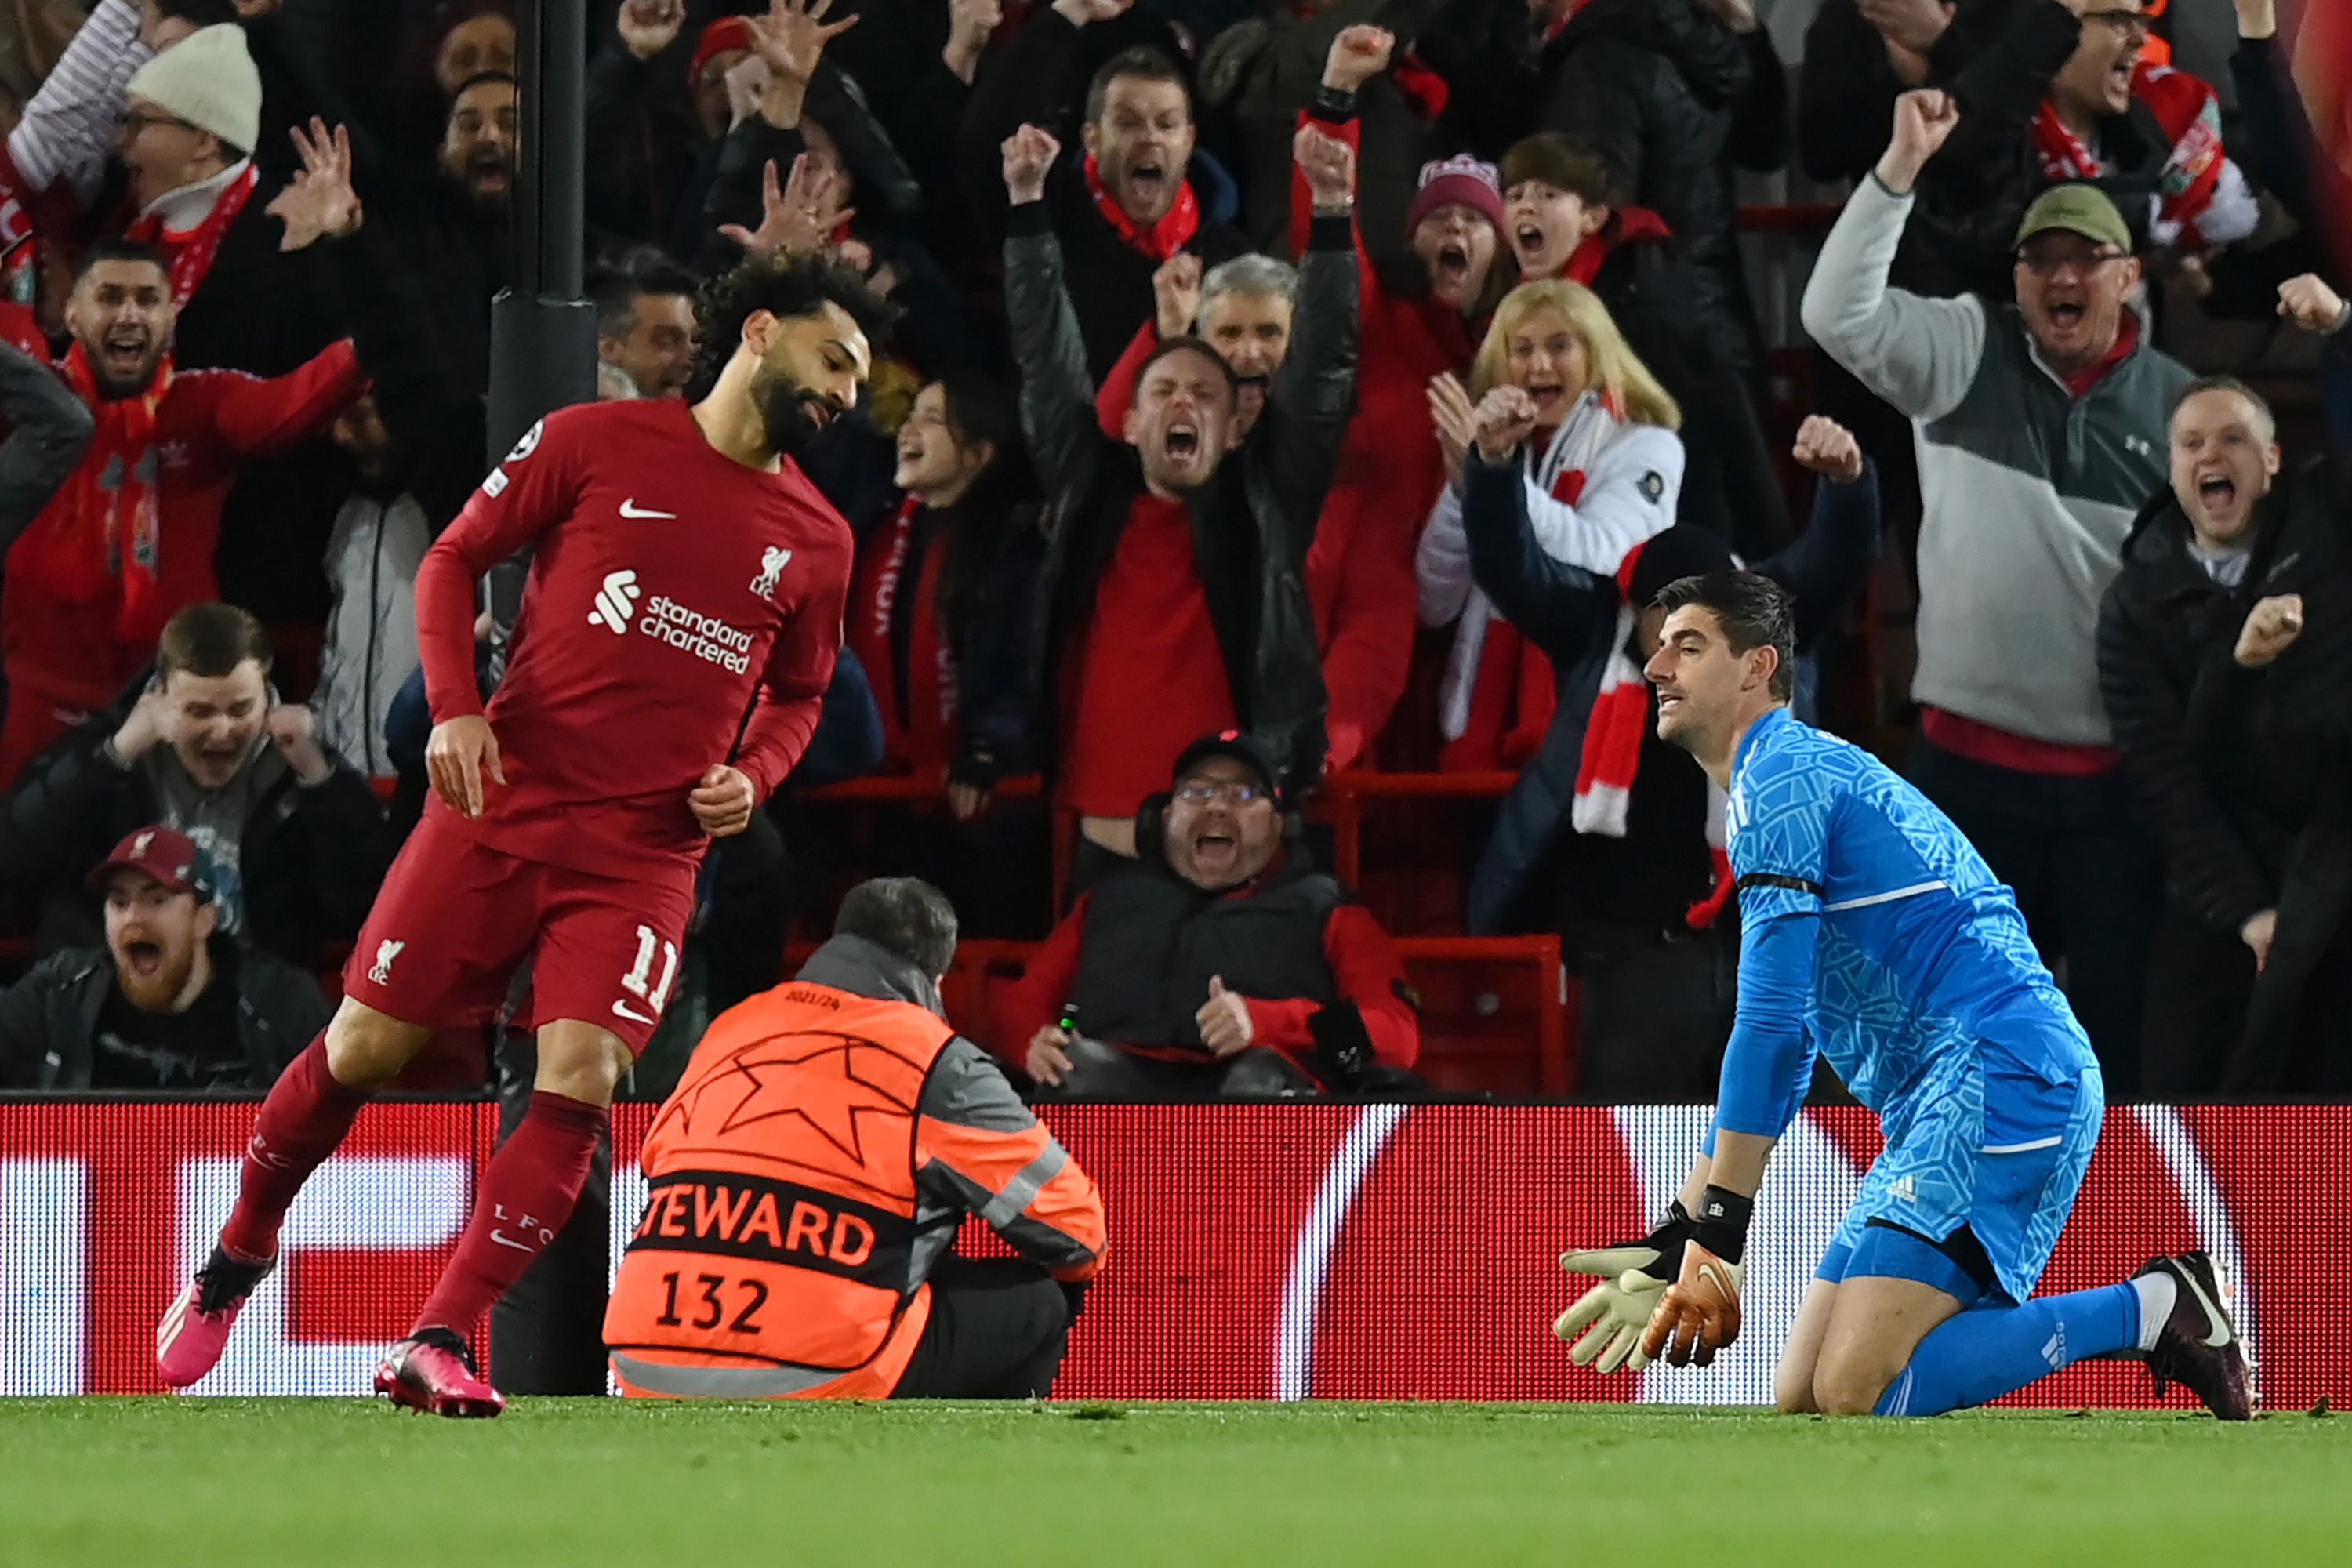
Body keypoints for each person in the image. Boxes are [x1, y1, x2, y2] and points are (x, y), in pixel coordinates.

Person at [151, 251, 895, 1419]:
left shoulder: (817, 538)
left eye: (860, 380)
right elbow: (453, 561)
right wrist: (452, 709)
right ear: (761, 329)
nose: (849, 393)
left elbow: (803, 696)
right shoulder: (594, 440)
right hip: (502, 809)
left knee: (583, 1078)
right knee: (364, 1052)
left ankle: (439, 1338)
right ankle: (236, 1257)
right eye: (836, 359)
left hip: (645, 852)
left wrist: (752, 775)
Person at [1552, 571, 2252, 1421]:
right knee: (1804, 1390)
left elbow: (1768, 1028)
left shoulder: (1781, 780)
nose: (1655, 663)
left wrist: (1720, 1234)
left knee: (1860, 1386)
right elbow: (1794, 1047)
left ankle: (2151, 1307)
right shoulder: (1772, 786)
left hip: (1999, 1067)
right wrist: (1686, 1225)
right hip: (1947, 1092)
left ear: (1756, 667)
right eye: (1658, 643)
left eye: (1686, 644)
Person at [1801, 91, 2189, 1087]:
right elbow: (1830, 312)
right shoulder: (1964, 351)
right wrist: (1897, 171)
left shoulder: (2190, 412)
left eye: (2086, 260)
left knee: (2107, 1049)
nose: (2061, 276)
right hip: (1964, 780)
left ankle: (2118, 1236)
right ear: (2015, 279)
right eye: (2039, 260)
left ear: (2131, 279)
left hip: (2116, 790)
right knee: (1940, 1047)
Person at [1454, 410, 1882, 1092]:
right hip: (1634, 966)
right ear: (1636, 609)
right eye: (1666, 609)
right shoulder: (1593, 633)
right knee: (1638, 1164)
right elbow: (1511, 567)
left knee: (1805, 1165)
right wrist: (1496, 469)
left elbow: (1839, 556)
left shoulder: (1776, 631)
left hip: (1775, 954)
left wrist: (1847, 483)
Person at [1004, 119, 1358, 871]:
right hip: (1102, 841)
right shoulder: (1085, 487)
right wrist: (1028, 207)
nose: (1185, 406)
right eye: (1164, 390)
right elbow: (1044, 357)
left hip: (1234, 844)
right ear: (1129, 422)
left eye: (1205, 393)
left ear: (1234, 429)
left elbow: (1323, 365)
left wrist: (1331, 213)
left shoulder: (1270, 496)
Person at [604, 877, 1105, 1399]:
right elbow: (1077, 1234)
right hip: (813, 1374)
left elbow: (654, 1162)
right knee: (1039, 1301)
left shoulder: (731, 1027)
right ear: (935, 979)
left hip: (644, 1360)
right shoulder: (934, 1058)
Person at [0, 238, 365, 785]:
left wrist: (378, 327)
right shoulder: (34, 413)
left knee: (159, 865)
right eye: (110, 296)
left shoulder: (201, 404)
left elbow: (290, 408)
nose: (129, 313)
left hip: (172, 700)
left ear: (172, 318)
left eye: (148, 299)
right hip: (35, 697)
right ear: (72, 313)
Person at [2102, 378, 2352, 1095]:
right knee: (2187, 1090)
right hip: (2218, 876)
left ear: (2272, 460)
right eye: (2192, 443)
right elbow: (2162, 778)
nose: (2213, 454)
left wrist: (2339, 331)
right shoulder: (2135, 601)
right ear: (2173, 469)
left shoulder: (2329, 535)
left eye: (2234, 439)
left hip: (2333, 856)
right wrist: (2250, 912)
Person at [1005, 731, 1418, 1099]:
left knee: (1258, 1083)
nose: (1217, 807)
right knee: (1073, 1072)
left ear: (1279, 825)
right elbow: (1022, 1005)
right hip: (1120, 1085)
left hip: (1258, 1087)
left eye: (1242, 794)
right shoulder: (1107, 900)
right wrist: (1035, 1043)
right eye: (1196, 792)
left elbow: (1396, 1034)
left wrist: (1268, 1022)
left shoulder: (1326, 908)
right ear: (1166, 817)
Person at [0, 601, 388, 964]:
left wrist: (320, 780)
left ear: (267, 699)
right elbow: (16, 864)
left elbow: (363, 910)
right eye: (199, 711)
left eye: (240, 709)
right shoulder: (110, 754)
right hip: (113, 987)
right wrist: (113, 757)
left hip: (246, 999)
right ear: (161, 697)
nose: (222, 733)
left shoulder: (302, 765)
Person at [1417, 279, 1681, 777]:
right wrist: (1465, 487)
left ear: (1597, 354)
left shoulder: (1647, 447)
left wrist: (1496, 480)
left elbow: (1604, 559)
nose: (1539, 365)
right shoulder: (1495, 450)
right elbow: (1434, 600)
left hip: (1592, 727)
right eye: (1522, 349)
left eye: (1560, 346)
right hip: (1479, 739)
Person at [1498, 132, 1791, 561]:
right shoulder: (1531, 305)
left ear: (1592, 218)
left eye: (1549, 193)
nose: (1526, 205)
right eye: (1514, 194)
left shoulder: (1644, 307)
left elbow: (1703, 446)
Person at [961, 2, 1249, 380]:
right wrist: (1068, 14)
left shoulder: (1231, 258)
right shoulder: (1045, 217)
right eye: (1128, 124)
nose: (1149, 138)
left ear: (1190, 139)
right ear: (1091, 138)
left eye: (1166, 125)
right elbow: (985, 144)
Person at [0, 826, 328, 1091]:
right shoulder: (61, 991)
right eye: (119, 902)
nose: (133, 918)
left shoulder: (280, 1003)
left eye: (156, 900)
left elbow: (347, 1117)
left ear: (204, 921)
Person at [591, 255, 700, 402]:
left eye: (696, 339)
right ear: (608, 348)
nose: (689, 358)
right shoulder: (572, 421)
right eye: (666, 341)